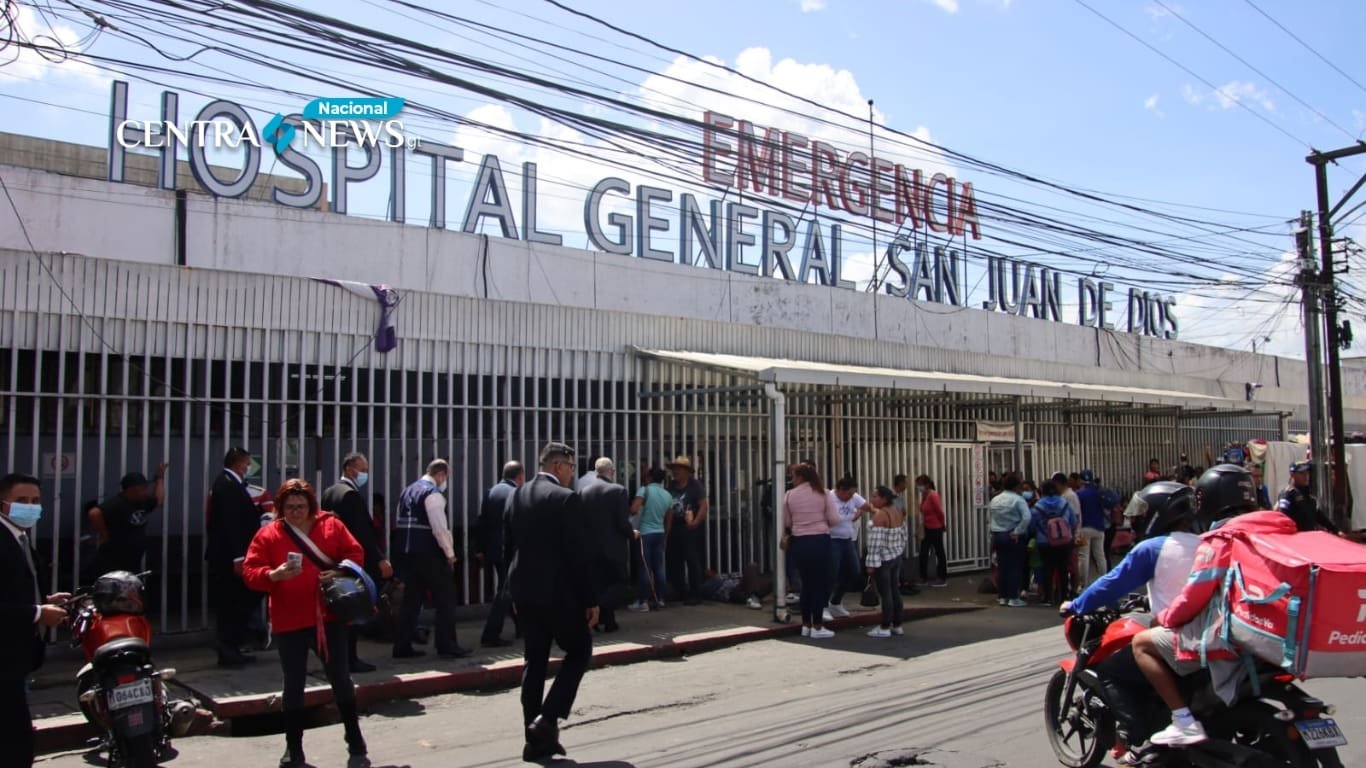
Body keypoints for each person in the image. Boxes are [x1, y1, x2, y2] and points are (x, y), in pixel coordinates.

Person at [1135, 465, 1293, 748]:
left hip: (1231, 636)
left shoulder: (1220, 540)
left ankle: (1183, 721)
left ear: (1207, 501)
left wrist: (1167, 618)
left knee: (1141, 643)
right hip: (1277, 632)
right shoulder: (1279, 531)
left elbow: (1194, 595)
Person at [1062, 480, 1202, 760]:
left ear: (1160, 513)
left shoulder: (1152, 548)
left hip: (1181, 639)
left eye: (1143, 511)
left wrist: (1076, 604)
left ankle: (1136, 734)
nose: (1137, 517)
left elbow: (1112, 584)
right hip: (1209, 635)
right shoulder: (1205, 543)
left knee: (1112, 670)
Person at [242, 479, 370, 768]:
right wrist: (272, 575)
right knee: (293, 686)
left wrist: (337, 572)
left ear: (311, 506)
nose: (296, 512)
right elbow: (250, 572)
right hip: (289, 620)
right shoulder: (269, 534)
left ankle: (356, 745)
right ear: (280, 508)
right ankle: (294, 752)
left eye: (301, 506)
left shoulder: (331, 526)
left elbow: (356, 554)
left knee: (341, 680)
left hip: (328, 618)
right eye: (289, 507)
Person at [507, 442, 598, 762]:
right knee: (580, 650)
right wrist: (590, 599)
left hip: (526, 592)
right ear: (559, 466)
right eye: (571, 468)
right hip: (559, 594)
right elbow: (578, 554)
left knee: (534, 662)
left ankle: (534, 741)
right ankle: (547, 719)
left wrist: (512, 592)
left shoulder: (517, 494)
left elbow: (511, 546)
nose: (572, 474)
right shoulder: (565, 498)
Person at [1, 473, 70, 768]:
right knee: (14, 741)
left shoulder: (19, 538)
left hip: (17, 658)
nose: (30, 507)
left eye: (35, 501)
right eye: (22, 501)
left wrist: (45, 601)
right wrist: (38, 613)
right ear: (3, 504)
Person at [321, 451, 391, 673]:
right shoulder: (350, 495)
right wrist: (379, 559)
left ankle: (340, 658)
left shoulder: (330, 492)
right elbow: (362, 534)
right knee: (351, 608)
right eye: (363, 470)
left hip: (333, 559)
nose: (365, 474)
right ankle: (350, 659)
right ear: (351, 469)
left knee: (338, 610)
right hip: (351, 561)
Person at [392, 459, 468, 659]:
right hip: (430, 553)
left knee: (412, 600)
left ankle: (401, 645)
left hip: (408, 553)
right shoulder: (432, 494)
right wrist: (450, 554)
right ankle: (446, 644)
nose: (445, 482)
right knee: (445, 599)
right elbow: (439, 528)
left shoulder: (407, 491)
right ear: (441, 474)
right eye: (446, 477)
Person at [207, 447, 262, 667]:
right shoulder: (227, 486)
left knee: (237, 604)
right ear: (240, 464)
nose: (249, 468)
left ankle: (233, 648)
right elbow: (231, 525)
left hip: (232, 555)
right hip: (229, 558)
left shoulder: (230, 484)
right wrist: (239, 558)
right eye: (247, 464)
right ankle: (228, 650)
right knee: (232, 605)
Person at [782, 463, 841, 639]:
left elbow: (787, 523)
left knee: (807, 584)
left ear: (800, 477)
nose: (792, 480)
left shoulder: (789, 495)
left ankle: (805, 624)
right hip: (819, 540)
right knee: (819, 584)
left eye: (794, 477)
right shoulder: (824, 493)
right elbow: (834, 519)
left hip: (799, 542)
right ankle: (817, 625)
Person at [579, 458, 634, 632]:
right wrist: (632, 533)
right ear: (613, 472)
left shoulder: (584, 492)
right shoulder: (619, 491)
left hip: (591, 549)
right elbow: (622, 522)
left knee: (600, 585)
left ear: (596, 472)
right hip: (614, 548)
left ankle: (607, 621)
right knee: (621, 585)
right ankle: (600, 609)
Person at [476, 461, 524, 647]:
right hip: (508, 549)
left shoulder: (491, 492)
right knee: (505, 592)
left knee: (509, 589)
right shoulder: (516, 493)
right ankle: (490, 633)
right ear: (519, 476)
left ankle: (522, 627)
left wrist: (480, 548)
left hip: (493, 549)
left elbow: (482, 522)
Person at [89, 464, 168, 575]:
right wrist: (104, 534)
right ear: (131, 490)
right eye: (142, 489)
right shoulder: (118, 503)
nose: (145, 492)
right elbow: (94, 513)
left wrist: (159, 478)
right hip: (114, 557)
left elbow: (158, 499)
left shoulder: (142, 502)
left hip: (133, 558)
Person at [864, 486, 907, 638]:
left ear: (883, 498)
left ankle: (884, 626)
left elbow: (875, 544)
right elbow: (903, 535)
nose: (872, 499)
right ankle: (897, 624)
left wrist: (870, 564)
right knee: (895, 590)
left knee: (885, 593)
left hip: (883, 560)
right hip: (896, 556)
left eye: (875, 496)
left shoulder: (880, 516)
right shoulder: (897, 511)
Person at [664, 456, 708, 605]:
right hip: (675, 527)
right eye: (674, 468)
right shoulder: (671, 486)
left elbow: (703, 505)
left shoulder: (695, 485)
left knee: (692, 560)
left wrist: (695, 522)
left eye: (678, 469)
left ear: (686, 471)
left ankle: (696, 593)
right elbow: (669, 509)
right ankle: (680, 591)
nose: (675, 471)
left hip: (690, 527)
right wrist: (667, 531)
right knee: (675, 560)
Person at [825, 477, 869, 620]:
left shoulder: (853, 496)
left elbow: (866, 506)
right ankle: (823, 605)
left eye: (852, 494)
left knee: (853, 571)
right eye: (848, 494)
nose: (851, 497)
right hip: (832, 540)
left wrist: (858, 513)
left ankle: (836, 602)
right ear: (840, 490)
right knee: (831, 574)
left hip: (847, 539)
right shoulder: (829, 499)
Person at [1027, 480, 1077, 606]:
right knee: (1063, 569)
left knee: (1047, 569)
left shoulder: (1038, 506)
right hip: (1063, 541)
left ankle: (1048, 597)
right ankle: (1064, 596)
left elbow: (1032, 525)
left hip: (1045, 542)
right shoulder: (1064, 503)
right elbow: (1073, 521)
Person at [627, 467, 670, 612]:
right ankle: (661, 599)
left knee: (644, 568)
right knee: (658, 567)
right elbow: (668, 518)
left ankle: (643, 602)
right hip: (659, 533)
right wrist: (665, 536)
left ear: (649, 477)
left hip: (644, 534)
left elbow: (634, 509)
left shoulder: (644, 490)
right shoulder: (667, 495)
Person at [987, 472, 1030, 607]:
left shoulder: (995, 499)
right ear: (1017, 486)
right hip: (1013, 535)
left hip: (998, 535)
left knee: (1002, 566)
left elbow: (989, 519)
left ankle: (1002, 597)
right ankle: (1013, 597)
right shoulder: (1018, 500)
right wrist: (1018, 531)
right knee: (1014, 567)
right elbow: (1027, 517)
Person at [1276, 460, 1340, 533]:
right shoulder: (1288, 494)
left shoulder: (1309, 495)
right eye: (1301, 473)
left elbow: (1319, 516)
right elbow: (1283, 517)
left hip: (1310, 537)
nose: (1306, 476)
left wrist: (1336, 530)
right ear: (1292, 475)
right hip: (1296, 538)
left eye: (1307, 473)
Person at [1075, 469, 1108, 588]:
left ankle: (1083, 583)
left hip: (1085, 528)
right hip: (1099, 527)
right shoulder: (1098, 492)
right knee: (1100, 555)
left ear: (1081, 479)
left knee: (1084, 556)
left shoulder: (1079, 493)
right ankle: (1104, 580)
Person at [915, 475, 947, 587]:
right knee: (923, 553)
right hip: (927, 528)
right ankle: (923, 577)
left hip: (936, 528)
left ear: (927, 484)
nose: (918, 487)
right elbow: (923, 509)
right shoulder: (925, 495)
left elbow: (939, 512)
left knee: (939, 552)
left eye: (920, 485)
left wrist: (943, 525)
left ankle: (942, 578)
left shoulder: (933, 495)